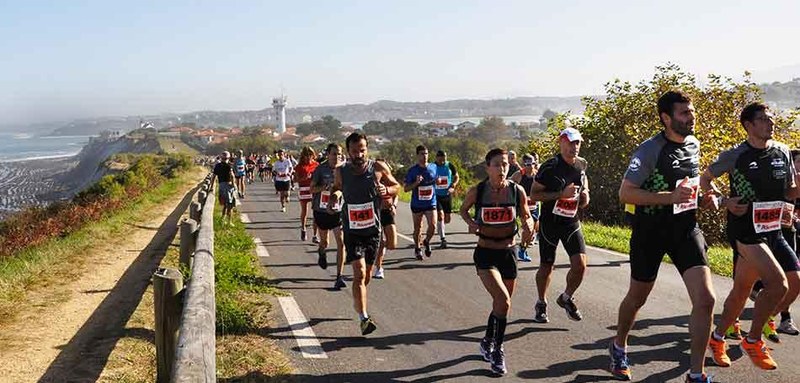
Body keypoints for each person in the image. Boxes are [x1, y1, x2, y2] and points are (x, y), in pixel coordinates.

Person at [610, 91, 716, 383]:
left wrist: (705, 197)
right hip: (650, 232)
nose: (691, 117)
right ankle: (619, 345)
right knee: (637, 298)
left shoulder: (694, 144)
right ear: (666, 118)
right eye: (684, 113)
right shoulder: (649, 150)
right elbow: (626, 193)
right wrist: (670, 197)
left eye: (692, 112)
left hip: (685, 229)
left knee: (706, 299)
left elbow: (690, 187)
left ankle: (696, 374)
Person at [701, 102, 800, 371]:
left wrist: (794, 195)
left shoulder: (782, 151)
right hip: (745, 230)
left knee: (748, 291)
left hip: (773, 229)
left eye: (771, 119)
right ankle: (753, 340)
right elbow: (705, 179)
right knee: (777, 284)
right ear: (749, 125)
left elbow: (790, 191)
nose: (771, 123)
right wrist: (724, 201)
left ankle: (717, 338)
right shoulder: (736, 155)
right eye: (764, 119)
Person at [459, 148, 535, 376]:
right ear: (487, 168)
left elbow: (526, 215)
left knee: (502, 305)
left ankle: (487, 340)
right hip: (485, 253)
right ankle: (497, 351)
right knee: (502, 301)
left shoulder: (516, 190)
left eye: (504, 165)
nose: (502, 169)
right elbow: (463, 210)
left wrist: (529, 226)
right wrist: (471, 223)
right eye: (497, 165)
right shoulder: (478, 190)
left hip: (508, 253)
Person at [329, 132, 400, 335]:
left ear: (366, 149)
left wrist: (387, 192)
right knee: (359, 274)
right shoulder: (341, 171)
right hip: (352, 230)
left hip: (372, 231)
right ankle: (364, 318)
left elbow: (396, 186)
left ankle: (358, 303)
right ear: (348, 152)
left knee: (366, 276)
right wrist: (335, 196)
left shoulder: (377, 168)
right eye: (354, 151)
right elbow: (337, 188)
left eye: (362, 150)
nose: (359, 154)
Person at [530, 128, 590, 323]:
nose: (575, 147)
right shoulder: (549, 167)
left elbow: (584, 183)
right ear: (561, 143)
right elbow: (534, 195)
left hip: (571, 221)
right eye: (571, 143)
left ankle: (566, 298)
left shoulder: (581, 164)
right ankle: (541, 302)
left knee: (580, 266)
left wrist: (585, 195)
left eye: (577, 143)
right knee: (547, 266)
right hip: (550, 222)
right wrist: (559, 195)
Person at [311, 143, 347, 289]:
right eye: (334, 154)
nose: (336, 156)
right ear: (328, 155)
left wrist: (337, 194)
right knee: (325, 242)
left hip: (338, 212)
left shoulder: (344, 170)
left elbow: (345, 188)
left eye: (339, 154)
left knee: (341, 242)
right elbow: (311, 188)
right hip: (321, 211)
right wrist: (324, 188)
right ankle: (321, 251)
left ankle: (339, 276)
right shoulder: (320, 169)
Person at [404, 145, 438, 260]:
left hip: (431, 202)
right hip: (417, 204)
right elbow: (406, 189)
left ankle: (427, 241)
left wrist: (437, 181)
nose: (425, 156)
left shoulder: (433, 167)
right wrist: (416, 183)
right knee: (418, 228)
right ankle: (417, 248)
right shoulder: (412, 171)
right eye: (422, 154)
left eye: (426, 153)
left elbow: (436, 180)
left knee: (433, 226)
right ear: (417, 155)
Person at [510, 153, 540, 261]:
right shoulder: (518, 175)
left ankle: (522, 248)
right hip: (521, 206)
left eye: (532, 163)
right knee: (527, 228)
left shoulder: (538, 175)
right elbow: (508, 187)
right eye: (527, 164)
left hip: (534, 206)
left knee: (531, 232)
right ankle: (518, 249)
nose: (530, 166)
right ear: (523, 164)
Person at [373, 158, 398, 279]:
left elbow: (396, 193)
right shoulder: (372, 179)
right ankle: (379, 267)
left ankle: (377, 256)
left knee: (392, 244)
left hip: (387, 211)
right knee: (381, 241)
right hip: (375, 212)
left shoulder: (389, 179)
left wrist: (394, 205)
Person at [433, 150, 460, 249]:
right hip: (436, 196)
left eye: (444, 158)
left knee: (447, 219)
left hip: (447, 195)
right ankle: (443, 239)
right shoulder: (432, 167)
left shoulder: (450, 165)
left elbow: (456, 176)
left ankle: (440, 226)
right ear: (436, 158)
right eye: (440, 158)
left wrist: (453, 185)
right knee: (441, 216)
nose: (442, 160)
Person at [294, 146, 320, 242]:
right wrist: (304, 178)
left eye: (310, 155)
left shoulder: (316, 165)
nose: (308, 157)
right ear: (303, 156)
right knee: (304, 211)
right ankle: (303, 228)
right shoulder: (299, 166)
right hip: (303, 189)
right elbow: (295, 179)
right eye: (306, 155)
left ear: (313, 155)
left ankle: (315, 235)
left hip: (314, 189)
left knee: (316, 212)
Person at [210, 151, 237, 225]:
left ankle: (222, 219)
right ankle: (229, 221)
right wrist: (234, 185)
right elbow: (232, 176)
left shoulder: (217, 165)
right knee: (230, 205)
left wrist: (211, 186)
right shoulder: (229, 165)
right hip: (228, 186)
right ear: (228, 158)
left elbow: (213, 177)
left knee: (225, 204)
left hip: (221, 186)